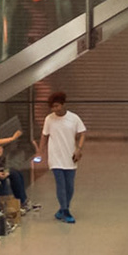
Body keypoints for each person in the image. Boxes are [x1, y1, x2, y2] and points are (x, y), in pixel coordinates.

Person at [42, 91, 87, 223]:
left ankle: (62, 209)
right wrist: (40, 151)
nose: (55, 109)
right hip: (55, 157)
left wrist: (79, 149)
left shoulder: (74, 118)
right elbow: (44, 135)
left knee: (70, 186)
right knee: (60, 184)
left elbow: (83, 133)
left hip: (70, 156)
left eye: (57, 106)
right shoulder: (49, 119)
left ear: (63, 104)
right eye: (53, 107)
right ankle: (65, 210)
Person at [0, 119, 30, 213]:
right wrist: (13, 138)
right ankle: (9, 206)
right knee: (9, 177)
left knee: (16, 173)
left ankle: (21, 201)